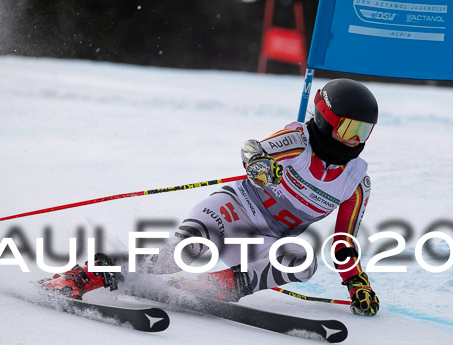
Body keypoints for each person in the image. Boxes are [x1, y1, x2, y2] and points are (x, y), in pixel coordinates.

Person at [42, 78, 380, 316]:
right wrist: (261, 166)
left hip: (266, 238)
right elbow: (253, 150)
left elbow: (343, 241)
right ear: (326, 119)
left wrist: (356, 285)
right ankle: (83, 276)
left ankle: (209, 288)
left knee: (302, 261)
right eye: (349, 129)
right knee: (182, 254)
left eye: (363, 132)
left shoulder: (355, 181)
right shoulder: (298, 139)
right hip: (233, 210)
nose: (355, 140)